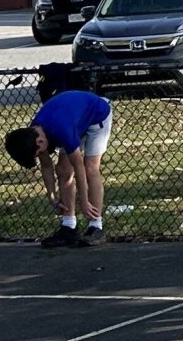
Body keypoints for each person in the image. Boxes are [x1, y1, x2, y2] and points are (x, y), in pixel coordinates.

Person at [9, 84, 114, 247]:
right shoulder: (34, 133)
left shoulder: (62, 130)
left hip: (97, 114)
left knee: (90, 168)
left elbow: (78, 166)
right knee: (63, 170)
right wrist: (52, 196)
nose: (41, 155)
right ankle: (69, 226)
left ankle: (96, 226)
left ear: (40, 142)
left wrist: (84, 202)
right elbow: (46, 166)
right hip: (74, 119)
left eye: (38, 152)